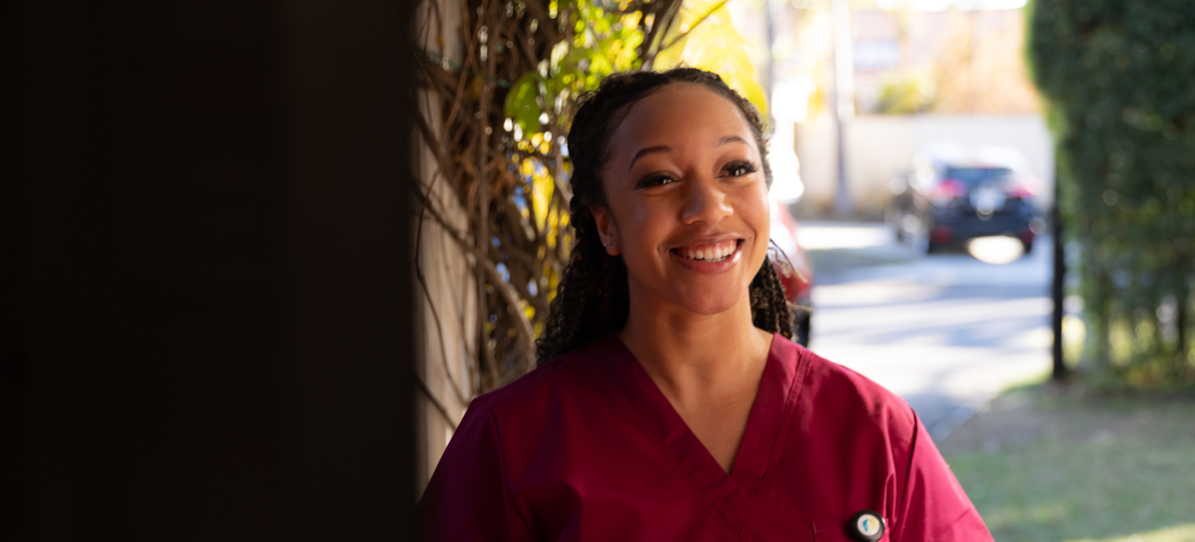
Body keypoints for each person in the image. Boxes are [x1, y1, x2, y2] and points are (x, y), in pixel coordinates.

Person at [419, 68, 993, 541]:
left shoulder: (875, 432)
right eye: (659, 179)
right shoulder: (511, 441)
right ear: (606, 226)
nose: (707, 205)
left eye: (735, 169)